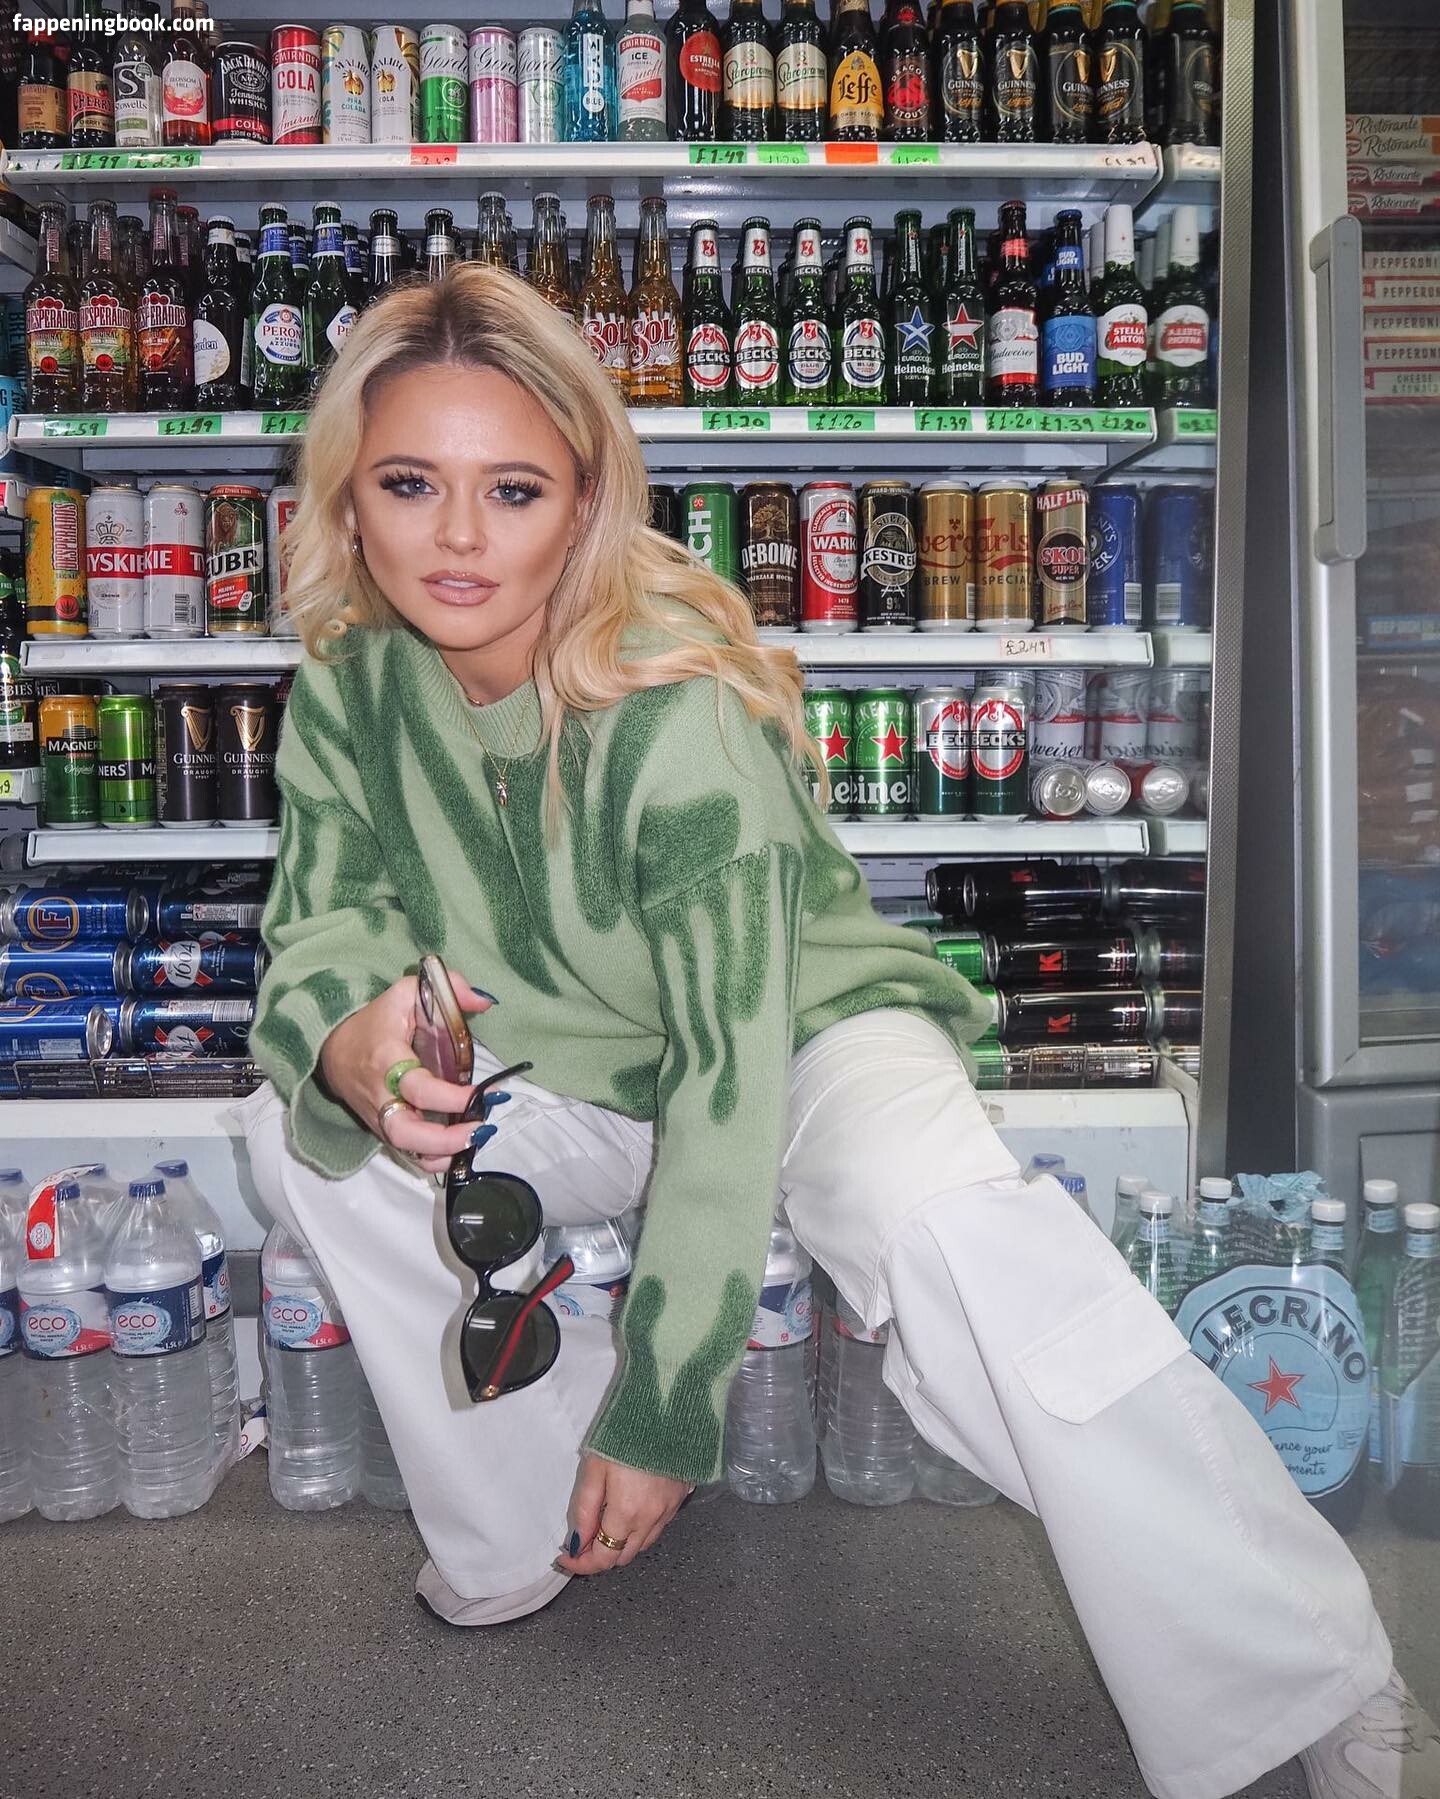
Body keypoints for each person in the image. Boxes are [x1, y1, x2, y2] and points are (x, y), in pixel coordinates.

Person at [241, 262, 1434, 1799]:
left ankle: (1313, 1666)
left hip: (799, 1035)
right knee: (301, 1139)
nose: (458, 537)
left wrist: (672, 1401)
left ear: (585, 503)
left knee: (953, 1242)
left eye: (513, 489)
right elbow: (319, 926)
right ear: (350, 498)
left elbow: (728, 1070)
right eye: (412, 483)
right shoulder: (348, 683)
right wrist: (349, 1040)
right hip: (574, 1068)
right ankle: (527, 1504)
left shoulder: (670, 704)